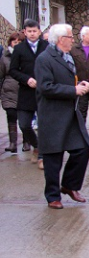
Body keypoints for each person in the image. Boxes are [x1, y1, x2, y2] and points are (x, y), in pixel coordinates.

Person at [34, 24, 89, 209]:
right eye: (69, 36)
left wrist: (79, 84)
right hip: (52, 115)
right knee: (53, 158)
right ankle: (52, 196)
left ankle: (69, 185)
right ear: (60, 39)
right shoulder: (44, 59)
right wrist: (73, 90)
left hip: (69, 112)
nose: (72, 40)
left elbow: (67, 79)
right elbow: (45, 87)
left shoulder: (67, 56)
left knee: (83, 148)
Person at [9, 19, 48, 169]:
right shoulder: (19, 49)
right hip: (26, 93)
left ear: (39, 31)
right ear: (25, 32)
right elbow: (13, 70)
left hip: (43, 92)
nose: (32, 34)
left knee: (44, 125)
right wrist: (26, 79)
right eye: (29, 31)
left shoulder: (46, 47)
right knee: (24, 124)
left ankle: (42, 156)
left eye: (35, 31)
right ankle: (36, 145)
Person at [0, 32, 24, 153]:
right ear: (10, 43)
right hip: (9, 90)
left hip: (24, 89)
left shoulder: (26, 56)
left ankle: (27, 141)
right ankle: (13, 143)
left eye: (19, 42)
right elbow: (1, 74)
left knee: (25, 118)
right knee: (11, 115)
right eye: (15, 42)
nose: (17, 44)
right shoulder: (4, 57)